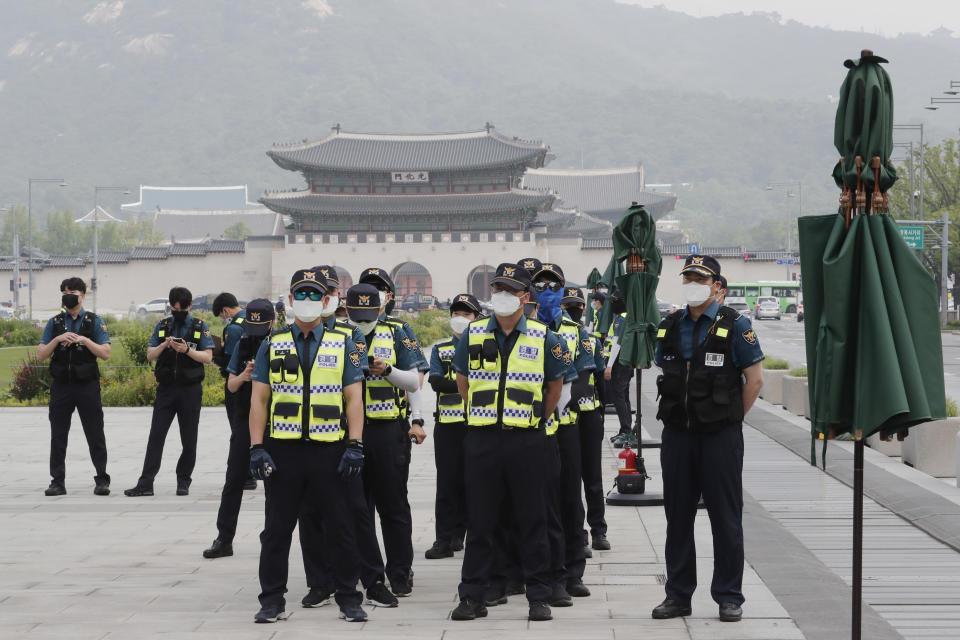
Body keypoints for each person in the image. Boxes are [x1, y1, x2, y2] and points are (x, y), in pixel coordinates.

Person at [247, 268, 368, 624]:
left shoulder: (340, 342)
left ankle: (349, 598)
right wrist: (256, 447)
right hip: (283, 450)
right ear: (290, 300)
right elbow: (259, 400)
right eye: (302, 295)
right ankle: (271, 600)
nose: (308, 302)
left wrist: (355, 444)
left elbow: (354, 398)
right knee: (276, 530)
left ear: (328, 302)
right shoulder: (274, 343)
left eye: (316, 295)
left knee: (341, 526)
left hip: (329, 449)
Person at [651, 255, 764, 624]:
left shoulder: (736, 325)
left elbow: (755, 379)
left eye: (700, 278)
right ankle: (678, 594)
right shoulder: (669, 326)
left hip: (719, 437)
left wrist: (731, 421)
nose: (692, 284)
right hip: (678, 437)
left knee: (725, 517)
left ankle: (729, 596)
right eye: (688, 278)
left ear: (718, 286)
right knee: (677, 517)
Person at [451, 262, 566, 623]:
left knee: (533, 519)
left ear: (525, 297)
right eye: (497, 289)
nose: (501, 296)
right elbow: (462, 379)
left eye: (510, 290)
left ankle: (538, 596)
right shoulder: (472, 334)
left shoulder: (544, 337)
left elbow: (555, 387)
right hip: (483, 438)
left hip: (527, 439)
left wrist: (536, 420)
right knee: (481, 520)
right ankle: (472, 595)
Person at [346, 283, 422, 602]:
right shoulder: (337, 334)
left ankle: (400, 572)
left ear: (380, 309)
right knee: (356, 508)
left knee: (393, 505)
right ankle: (368, 574)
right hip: (350, 431)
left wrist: (388, 370)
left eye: (369, 315)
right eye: (357, 316)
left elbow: (415, 380)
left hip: (387, 429)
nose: (364, 322)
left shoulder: (397, 330)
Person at [532, 266, 592, 605]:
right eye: (540, 284)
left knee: (570, 499)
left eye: (553, 284)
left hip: (567, 425)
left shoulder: (576, 332)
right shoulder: (524, 329)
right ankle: (535, 571)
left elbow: (579, 379)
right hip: (531, 427)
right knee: (538, 501)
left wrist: (549, 405)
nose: (547, 289)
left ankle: (572, 572)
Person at [203, 299, 275, 559]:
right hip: (245, 419)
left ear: (272, 323)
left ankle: (272, 537)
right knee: (234, 479)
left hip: (275, 423)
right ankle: (224, 538)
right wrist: (245, 376)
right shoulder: (244, 342)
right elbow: (231, 385)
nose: (256, 333)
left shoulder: (282, 343)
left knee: (275, 485)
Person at [125, 287, 214, 497]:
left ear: (190, 306)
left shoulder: (200, 326)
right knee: (156, 436)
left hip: (190, 390)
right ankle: (146, 483)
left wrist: (187, 351)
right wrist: (164, 345)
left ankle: (183, 481)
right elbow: (149, 355)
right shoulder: (163, 325)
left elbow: (208, 357)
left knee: (189, 439)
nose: (178, 312)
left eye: (182, 308)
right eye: (174, 308)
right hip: (166, 389)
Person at [37, 277, 112, 496]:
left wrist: (83, 340)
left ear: (83, 295)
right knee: (58, 434)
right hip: (62, 386)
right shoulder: (55, 322)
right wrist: (58, 339)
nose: (68, 296)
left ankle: (102, 479)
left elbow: (106, 353)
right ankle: (57, 481)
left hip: (87, 385)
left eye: (73, 292)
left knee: (95, 433)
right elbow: (41, 354)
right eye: (64, 292)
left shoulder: (94, 321)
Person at [424, 293, 481, 559]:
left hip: (476, 423)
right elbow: (436, 382)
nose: (460, 319)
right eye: (456, 314)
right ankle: (444, 538)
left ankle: (469, 535)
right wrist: (470, 386)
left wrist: (457, 386)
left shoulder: (484, 344)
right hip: (447, 424)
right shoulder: (441, 348)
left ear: (476, 317)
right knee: (447, 483)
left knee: (476, 482)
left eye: (466, 314)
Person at [560, 288, 610, 554]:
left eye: (577, 306)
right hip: (566, 416)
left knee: (592, 475)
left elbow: (600, 381)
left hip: (589, 414)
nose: (573, 310)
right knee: (569, 477)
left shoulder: (591, 341)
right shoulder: (555, 335)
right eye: (568, 306)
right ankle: (576, 535)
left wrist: (601, 412)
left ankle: (598, 529)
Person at [211, 292, 257, 493]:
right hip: (256, 383)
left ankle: (245, 476)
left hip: (237, 384)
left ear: (225, 310)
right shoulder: (254, 319)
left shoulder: (234, 328)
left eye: (222, 315)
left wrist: (214, 356)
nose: (224, 318)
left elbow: (231, 360)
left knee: (238, 431)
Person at [604, 291, 633, 446]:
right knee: (624, 396)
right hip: (626, 362)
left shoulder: (621, 319)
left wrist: (609, 366)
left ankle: (626, 430)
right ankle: (626, 429)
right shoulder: (627, 317)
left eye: (613, 301)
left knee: (619, 396)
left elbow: (617, 343)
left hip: (619, 362)